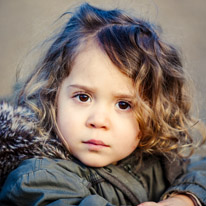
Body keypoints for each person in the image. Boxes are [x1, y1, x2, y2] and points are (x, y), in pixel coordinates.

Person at [0, 2, 205, 206]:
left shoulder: (152, 160)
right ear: (53, 95)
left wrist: (184, 199)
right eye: (83, 97)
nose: (98, 120)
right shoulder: (35, 181)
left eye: (124, 105)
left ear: (154, 112)